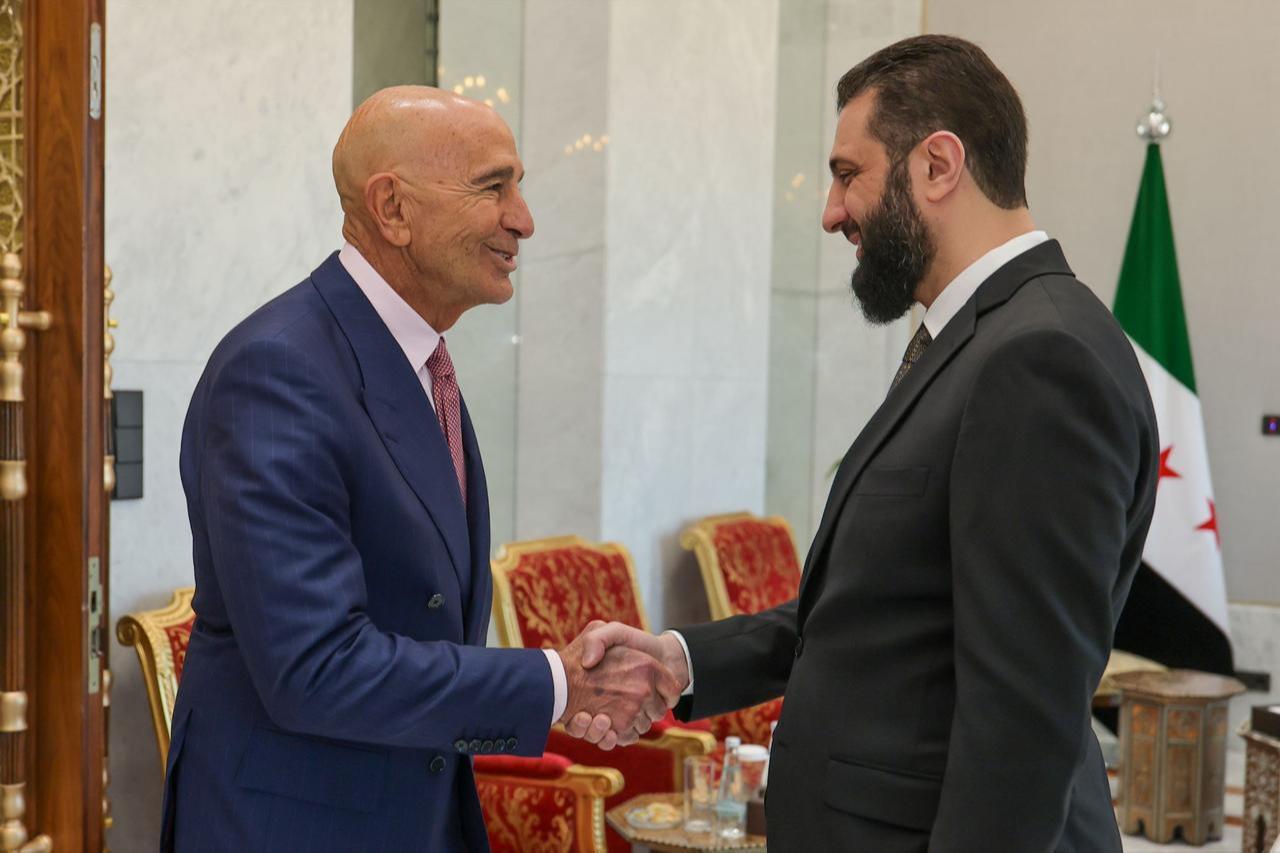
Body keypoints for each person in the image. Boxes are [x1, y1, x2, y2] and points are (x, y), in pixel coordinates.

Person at [576, 35, 1159, 851]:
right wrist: (682, 658)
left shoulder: (1037, 358)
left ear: (938, 164)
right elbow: (882, 613)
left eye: (849, 173)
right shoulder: (977, 340)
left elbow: (1021, 721)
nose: (830, 210)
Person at [162, 87, 678, 852]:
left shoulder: (415, 359)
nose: (524, 219)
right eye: (493, 186)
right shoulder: (278, 370)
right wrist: (558, 684)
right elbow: (316, 665)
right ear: (392, 209)